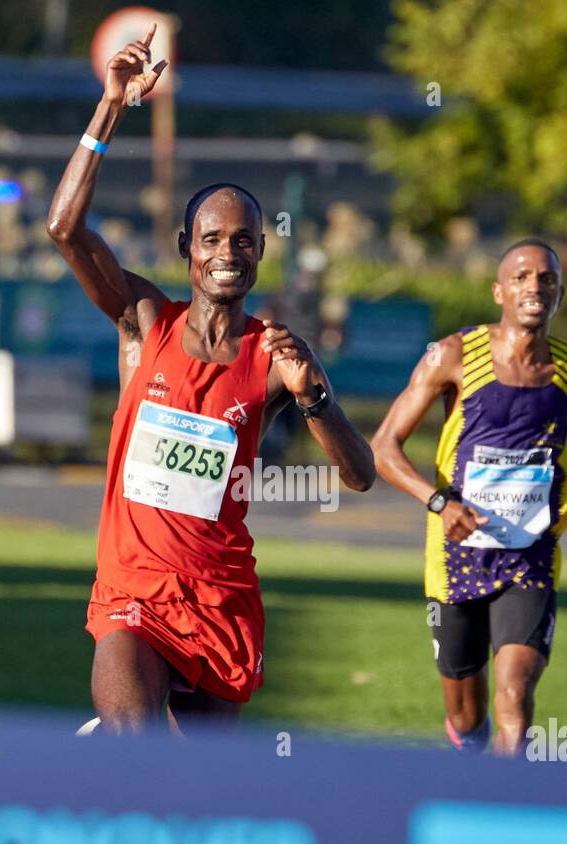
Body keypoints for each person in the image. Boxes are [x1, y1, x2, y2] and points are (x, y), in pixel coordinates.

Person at [46, 25, 374, 736]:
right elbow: (65, 228)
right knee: (139, 749)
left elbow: (360, 474)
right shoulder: (144, 323)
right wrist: (111, 108)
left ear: (259, 254)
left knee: (204, 792)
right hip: (132, 590)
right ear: (187, 250)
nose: (229, 253)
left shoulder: (274, 355)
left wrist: (314, 394)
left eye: (245, 241)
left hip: (219, 601)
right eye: (213, 239)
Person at [372, 239, 567, 755]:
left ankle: (505, 808)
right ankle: (473, 751)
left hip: (529, 557)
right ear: (498, 291)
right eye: (521, 277)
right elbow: (383, 448)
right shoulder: (453, 356)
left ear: (559, 292)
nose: (534, 287)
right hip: (455, 559)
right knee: (467, 718)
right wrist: (439, 502)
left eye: (546, 279)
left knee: (515, 692)